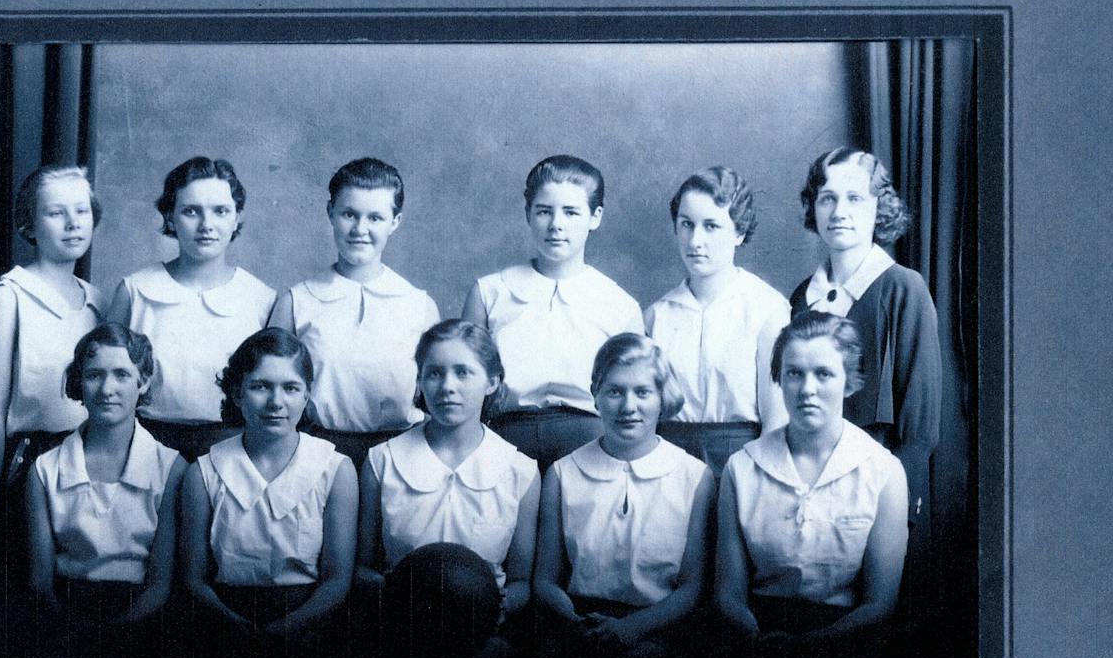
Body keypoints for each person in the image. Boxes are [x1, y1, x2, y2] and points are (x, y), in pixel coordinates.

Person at [713, 311, 909, 658]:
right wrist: (762, 645)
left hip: (845, 640)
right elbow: (728, 592)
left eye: (823, 373)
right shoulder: (743, 467)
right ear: (778, 381)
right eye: (794, 374)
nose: (808, 389)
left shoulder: (881, 471)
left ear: (850, 381)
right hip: (757, 636)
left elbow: (880, 602)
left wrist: (808, 650)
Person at [354, 319, 540, 658]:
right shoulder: (382, 460)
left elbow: (522, 584)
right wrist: (410, 605)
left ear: (492, 382)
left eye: (463, 372)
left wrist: (477, 616)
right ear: (419, 381)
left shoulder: (520, 470)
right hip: (400, 632)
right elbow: (361, 569)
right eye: (433, 373)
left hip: (484, 636)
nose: (447, 387)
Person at [179, 328, 358, 658]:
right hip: (226, 619)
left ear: (307, 395)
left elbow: (337, 580)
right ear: (238, 393)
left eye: (290, 388)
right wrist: (238, 628)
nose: (276, 402)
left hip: (308, 619)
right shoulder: (205, 470)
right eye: (260, 387)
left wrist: (286, 628)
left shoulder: (334, 468)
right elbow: (194, 578)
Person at [533, 334, 713, 658]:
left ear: (661, 398)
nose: (627, 406)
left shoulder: (693, 477)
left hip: (659, 627)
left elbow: (691, 587)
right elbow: (544, 579)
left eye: (642, 392)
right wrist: (580, 625)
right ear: (595, 395)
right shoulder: (563, 473)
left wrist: (631, 629)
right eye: (614, 391)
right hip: (579, 622)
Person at [25, 324, 186, 658]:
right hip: (68, 614)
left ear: (144, 381)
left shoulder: (171, 467)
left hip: (142, 617)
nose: (107, 388)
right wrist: (79, 633)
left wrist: (116, 635)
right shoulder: (46, 468)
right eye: (94, 374)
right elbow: (40, 581)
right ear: (79, 381)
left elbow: (161, 583)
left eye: (121, 375)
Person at [789, 147, 940, 531]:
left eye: (854, 198)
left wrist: (903, 509)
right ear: (814, 208)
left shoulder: (903, 288)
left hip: (878, 487)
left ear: (879, 207)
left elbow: (918, 423)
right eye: (828, 199)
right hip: (807, 483)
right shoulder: (802, 297)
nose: (840, 212)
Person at [462, 155, 644, 471]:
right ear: (529, 214)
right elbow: (467, 384)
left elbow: (634, 392)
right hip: (504, 440)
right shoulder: (491, 292)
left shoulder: (618, 304)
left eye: (571, 212)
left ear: (595, 216)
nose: (556, 224)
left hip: (591, 442)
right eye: (544, 211)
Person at [268, 157, 439, 469]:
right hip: (318, 453)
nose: (360, 229)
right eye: (349, 214)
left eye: (375, 217)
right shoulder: (297, 301)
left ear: (395, 221)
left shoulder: (419, 305)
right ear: (331, 212)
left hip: (403, 454)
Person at [109, 156, 276, 459]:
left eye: (220, 211)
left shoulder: (261, 298)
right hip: (146, 445)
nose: (206, 225)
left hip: (233, 447)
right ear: (171, 218)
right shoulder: (135, 291)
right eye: (191, 211)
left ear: (236, 217)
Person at [0, 165, 106, 530]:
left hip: (90, 464)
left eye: (81, 211)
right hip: (31, 464)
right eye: (56, 213)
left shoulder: (98, 302)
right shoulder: (11, 296)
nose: (73, 224)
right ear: (30, 226)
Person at [646, 168, 790, 478]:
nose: (695, 240)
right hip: (668, 463)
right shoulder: (657, 315)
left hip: (742, 459)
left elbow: (777, 419)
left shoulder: (767, 309)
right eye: (686, 225)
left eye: (711, 226)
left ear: (738, 232)